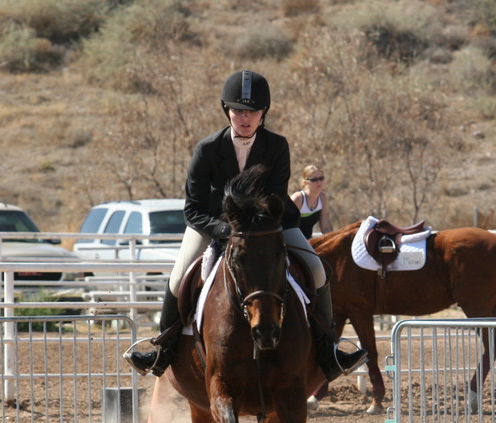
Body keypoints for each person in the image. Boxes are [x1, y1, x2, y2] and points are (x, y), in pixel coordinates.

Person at [124, 70, 366, 380]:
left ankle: (329, 349)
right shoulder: (207, 148)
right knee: (177, 278)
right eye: (237, 109)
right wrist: (224, 231)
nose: (244, 117)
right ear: (227, 110)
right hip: (212, 226)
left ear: (264, 112)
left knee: (317, 270)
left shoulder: (277, 145)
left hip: (267, 226)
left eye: (252, 110)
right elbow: (193, 208)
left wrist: (265, 229)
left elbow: (276, 194)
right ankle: (162, 348)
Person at [290, 165, 332, 239]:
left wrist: (331, 239)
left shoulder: (322, 197)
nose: (319, 182)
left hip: (308, 239)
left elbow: (325, 227)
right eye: (314, 179)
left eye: (321, 178)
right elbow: (286, 225)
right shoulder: (298, 198)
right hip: (292, 240)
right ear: (305, 182)